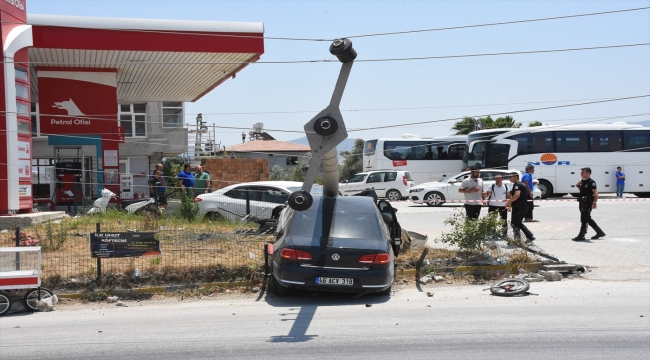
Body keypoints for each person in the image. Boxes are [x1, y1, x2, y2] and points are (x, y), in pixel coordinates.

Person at [572, 167, 606, 241]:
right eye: (581, 172)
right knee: (588, 219)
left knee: (584, 220)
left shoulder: (591, 182)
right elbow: (583, 191)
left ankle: (582, 235)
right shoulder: (583, 182)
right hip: (582, 202)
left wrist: (594, 203)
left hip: (587, 203)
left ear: (588, 173)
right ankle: (600, 232)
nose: (581, 174)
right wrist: (578, 186)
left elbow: (596, 192)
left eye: (583, 172)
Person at [505, 172, 535, 242]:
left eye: (510, 177)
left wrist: (508, 202)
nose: (509, 178)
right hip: (522, 206)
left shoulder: (517, 185)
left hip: (519, 207)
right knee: (518, 223)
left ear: (516, 177)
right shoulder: (521, 184)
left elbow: (517, 195)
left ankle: (517, 240)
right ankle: (529, 236)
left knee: (514, 223)